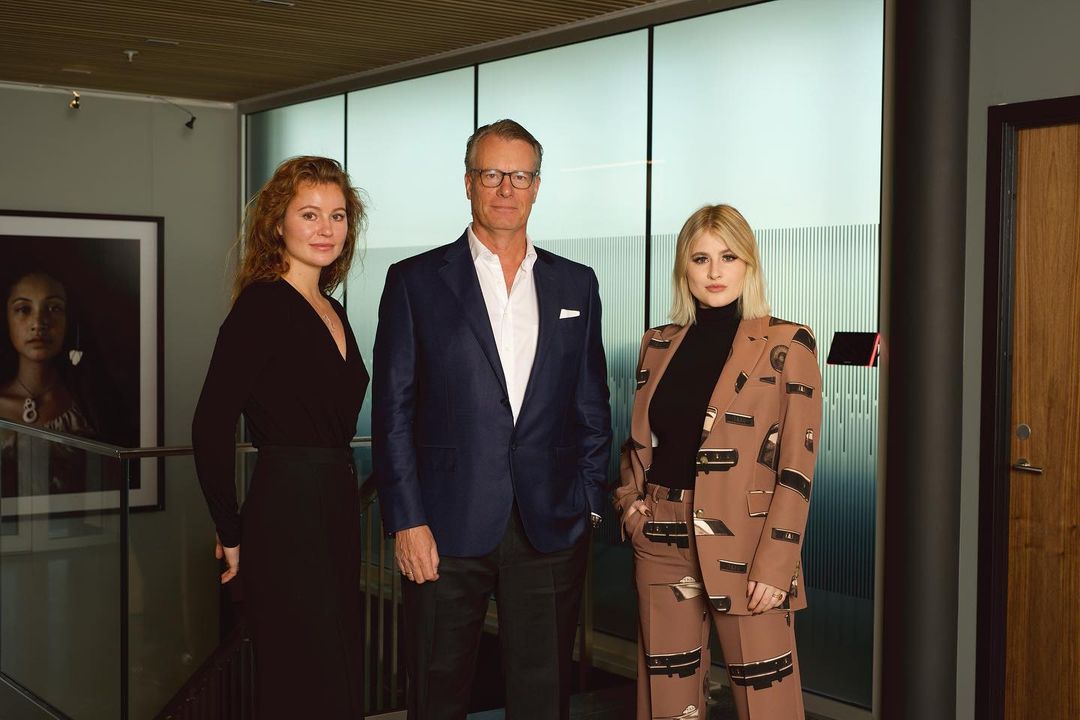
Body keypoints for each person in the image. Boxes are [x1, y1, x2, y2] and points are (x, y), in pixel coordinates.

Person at [373, 119, 612, 719]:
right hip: (442, 527)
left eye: (520, 176)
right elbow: (393, 411)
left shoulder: (576, 284)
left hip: (549, 525)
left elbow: (591, 405)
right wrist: (407, 520)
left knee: (543, 696)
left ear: (537, 187)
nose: (507, 188)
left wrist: (587, 503)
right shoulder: (414, 282)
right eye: (492, 174)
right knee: (436, 693)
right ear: (468, 182)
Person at [613, 204, 822, 720]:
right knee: (667, 706)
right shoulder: (657, 343)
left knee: (768, 706)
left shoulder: (787, 343)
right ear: (683, 266)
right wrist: (631, 506)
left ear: (748, 262)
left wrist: (777, 563)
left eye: (728, 257)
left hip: (749, 546)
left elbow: (796, 467)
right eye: (700, 258)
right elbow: (639, 443)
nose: (714, 271)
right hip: (661, 536)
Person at [191, 156, 369, 719]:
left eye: (337, 215)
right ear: (277, 223)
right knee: (301, 678)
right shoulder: (262, 305)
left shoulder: (333, 308)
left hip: (336, 507)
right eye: (309, 214)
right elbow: (210, 424)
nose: (326, 229)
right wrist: (230, 529)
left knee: (338, 672)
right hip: (285, 511)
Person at [0, 269, 125, 497]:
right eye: (23, 309)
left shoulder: (92, 406)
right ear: (5, 318)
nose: (39, 323)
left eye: (54, 308)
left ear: (69, 319)